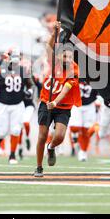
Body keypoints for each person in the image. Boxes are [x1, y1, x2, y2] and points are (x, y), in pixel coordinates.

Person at [34, 22, 81, 177]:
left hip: (62, 105)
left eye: (69, 56)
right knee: (41, 135)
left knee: (59, 136)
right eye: (64, 55)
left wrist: (55, 103)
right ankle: (39, 167)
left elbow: (66, 88)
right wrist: (54, 33)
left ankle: (51, 147)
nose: (66, 58)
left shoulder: (73, 70)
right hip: (45, 102)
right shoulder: (54, 62)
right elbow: (48, 48)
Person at [0, 49, 33, 164]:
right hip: (2, 104)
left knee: (16, 130)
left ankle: (12, 155)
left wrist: (29, 91)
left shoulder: (23, 70)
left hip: (18, 104)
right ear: (7, 57)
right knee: (2, 133)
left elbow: (30, 85)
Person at [68, 79, 98, 162]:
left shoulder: (96, 72)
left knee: (86, 131)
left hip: (90, 105)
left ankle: (83, 151)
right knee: (75, 127)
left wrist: (99, 98)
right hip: (76, 103)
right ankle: (74, 135)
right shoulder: (76, 71)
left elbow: (101, 85)